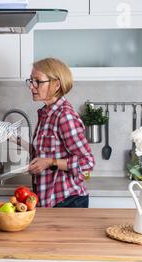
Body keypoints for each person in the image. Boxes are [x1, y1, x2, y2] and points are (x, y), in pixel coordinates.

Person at [26, 58, 95, 208]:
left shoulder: (64, 116)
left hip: (68, 201)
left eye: (37, 81)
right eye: (31, 81)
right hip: (50, 200)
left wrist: (50, 163)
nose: (31, 86)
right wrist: (14, 139)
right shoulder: (47, 113)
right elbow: (48, 151)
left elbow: (87, 163)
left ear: (56, 84)